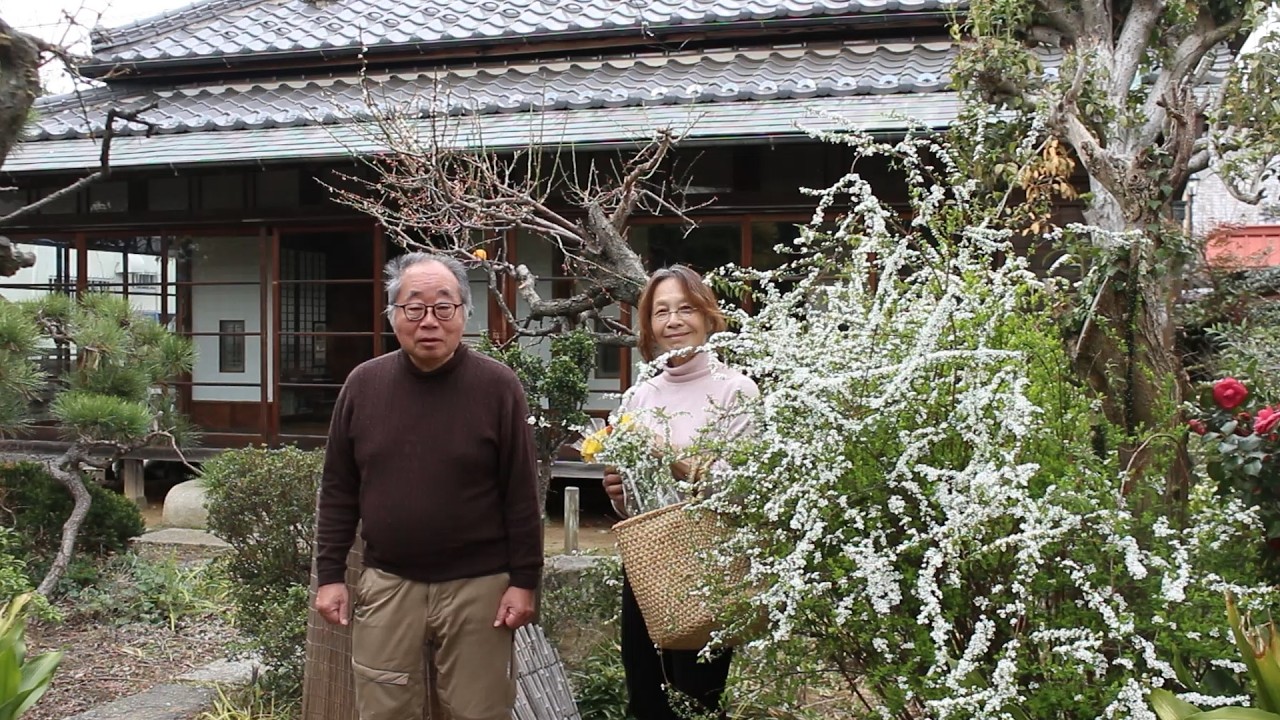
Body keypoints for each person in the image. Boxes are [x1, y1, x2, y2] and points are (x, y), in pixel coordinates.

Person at [314, 251, 543, 720]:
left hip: (479, 587)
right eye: (414, 307)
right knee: (384, 710)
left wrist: (524, 582)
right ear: (393, 315)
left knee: (480, 711)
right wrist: (330, 575)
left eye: (444, 307)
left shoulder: (497, 386)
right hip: (388, 582)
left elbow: (521, 494)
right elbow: (338, 488)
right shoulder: (363, 385)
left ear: (464, 314)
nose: (429, 321)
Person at [602, 265, 760, 720]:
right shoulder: (640, 396)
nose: (673, 321)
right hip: (648, 565)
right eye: (661, 312)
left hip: (706, 565)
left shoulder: (735, 391)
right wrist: (618, 492)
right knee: (646, 698)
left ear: (708, 316)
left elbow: (740, 488)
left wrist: (673, 457)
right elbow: (636, 502)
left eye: (685, 309)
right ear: (649, 326)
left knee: (696, 698)